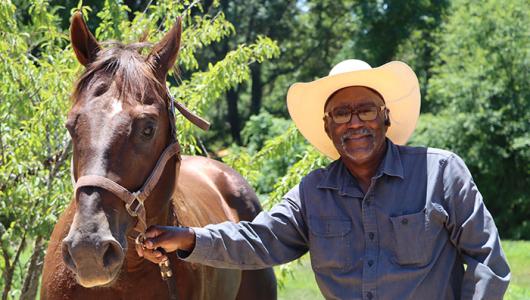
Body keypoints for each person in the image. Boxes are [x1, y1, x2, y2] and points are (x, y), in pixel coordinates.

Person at [136, 59, 510, 299]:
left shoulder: (441, 172)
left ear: (386, 118)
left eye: (365, 110)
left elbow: (488, 260)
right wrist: (188, 238)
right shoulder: (313, 193)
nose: (354, 122)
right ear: (328, 127)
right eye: (341, 114)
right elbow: (261, 240)